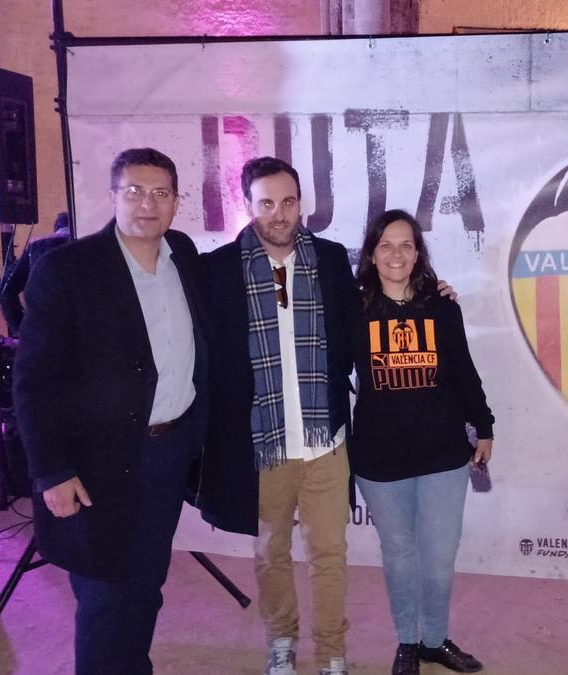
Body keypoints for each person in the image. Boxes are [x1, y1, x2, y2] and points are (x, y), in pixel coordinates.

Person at [14, 148, 207, 674]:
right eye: (135, 191)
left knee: (145, 584)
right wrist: (51, 471)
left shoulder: (183, 255)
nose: (149, 203)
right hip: (96, 463)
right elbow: (33, 383)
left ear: (175, 202)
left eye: (161, 193)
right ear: (112, 196)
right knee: (104, 596)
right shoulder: (67, 270)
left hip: (168, 453)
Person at [196, 157, 357, 675]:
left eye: (288, 202)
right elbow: (210, 355)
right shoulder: (219, 270)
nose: (279, 214)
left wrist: (432, 296)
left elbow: (357, 329)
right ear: (248, 205)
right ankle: (281, 641)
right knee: (271, 554)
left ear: (301, 202)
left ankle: (332, 653)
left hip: (324, 440)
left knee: (330, 553)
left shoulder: (331, 260)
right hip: (262, 442)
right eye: (266, 203)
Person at [349, 210, 495, 675]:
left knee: (437, 560)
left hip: (442, 454)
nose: (396, 253)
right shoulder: (353, 310)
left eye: (406, 244)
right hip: (379, 456)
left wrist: (484, 424)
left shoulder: (441, 306)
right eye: (386, 244)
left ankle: (435, 640)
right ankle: (407, 642)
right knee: (399, 556)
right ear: (371, 253)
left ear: (418, 252)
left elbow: (463, 373)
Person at [0, 211, 71, 336]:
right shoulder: (92, 244)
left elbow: (5, 287)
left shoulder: (37, 247)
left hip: (44, 331)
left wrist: (20, 328)